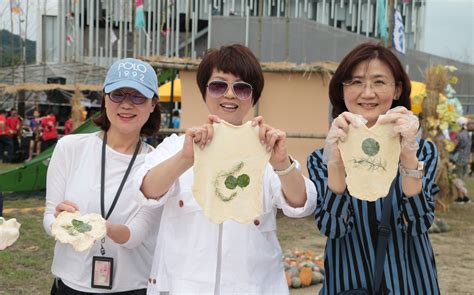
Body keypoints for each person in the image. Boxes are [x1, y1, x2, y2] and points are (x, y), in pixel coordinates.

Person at [135, 44, 317, 294]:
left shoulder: (267, 148)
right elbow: (146, 191)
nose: (230, 95)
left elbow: (301, 205)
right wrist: (186, 158)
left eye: (242, 88)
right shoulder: (177, 146)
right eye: (219, 85)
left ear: (253, 97)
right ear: (204, 92)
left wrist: (281, 164)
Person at [307, 42, 440, 294]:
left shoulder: (423, 151)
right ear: (342, 90)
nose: (367, 93)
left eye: (379, 82)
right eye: (356, 82)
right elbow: (331, 228)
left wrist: (408, 157)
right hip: (348, 283)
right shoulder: (321, 157)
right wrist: (336, 163)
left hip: (411, 282)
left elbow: (419, 224)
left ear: (397, 89)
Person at [43, 58, 162, 294]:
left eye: (137, 96)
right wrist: (60, 222)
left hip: (131, 287)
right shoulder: (70, 147)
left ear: (152, 104)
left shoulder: (158, 163)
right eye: (118, 94)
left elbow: (136, 235)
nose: (126, 104)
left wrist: (103, 227)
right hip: (70, 285)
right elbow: (48, 218)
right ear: (105, 99)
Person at [452, 116, 471, 204]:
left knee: (457, 178)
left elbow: (453, 146)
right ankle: (465, 197)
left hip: (459, 159)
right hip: (466, 159)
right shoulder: (467, 133)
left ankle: (460, 198)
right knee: (462, 178)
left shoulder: (460, 135)